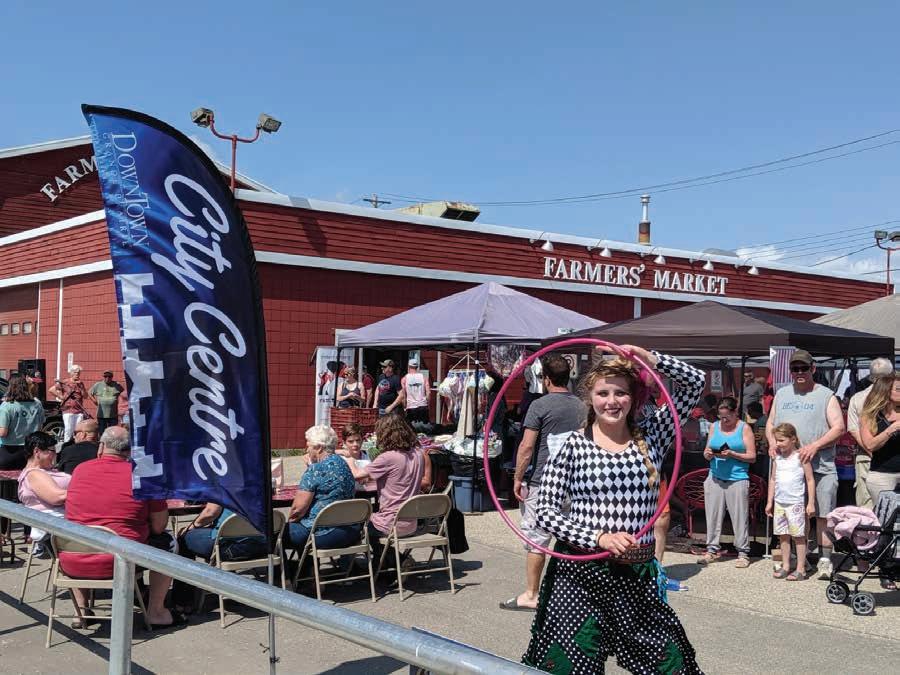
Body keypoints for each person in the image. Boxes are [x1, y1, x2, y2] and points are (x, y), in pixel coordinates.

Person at [523, 346, 704, 673]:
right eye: (603, 393)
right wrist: (599, 538)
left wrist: (650, 358)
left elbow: (696, 383)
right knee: (572, 666)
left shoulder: (654, 434)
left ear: (633, 398)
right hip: (580, 574)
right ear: (589, 397)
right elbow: (546, 512)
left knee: (671, 665)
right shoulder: (571, 445)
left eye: (621, 393)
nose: (612, 401)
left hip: (637, 575)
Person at [63, 426, 184, 628]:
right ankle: (156, 611)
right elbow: (159, 526)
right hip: (120, 560)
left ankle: (81, 610)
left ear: (101, 447)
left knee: (81, 530)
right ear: (130, 450)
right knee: (168, 542)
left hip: (72, 559)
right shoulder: (143, 475)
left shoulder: (80, 470)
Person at [501, 354, 587, 612]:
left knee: (537, 540)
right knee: (572, 537)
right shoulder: (583, 406)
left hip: (543, 481)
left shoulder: (540, 405)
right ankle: (572, 593)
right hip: (575, 482)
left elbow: (526, 447)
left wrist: (517, 478)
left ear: (545, 378)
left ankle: (532, 594)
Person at [766, 349, 845, 580]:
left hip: (820, 465)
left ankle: (825, 560)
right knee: (798, 514)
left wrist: (815, 446)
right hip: (790, 468)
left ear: (813, 369)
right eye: (795, 369)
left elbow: (839, 427)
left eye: (803, 368)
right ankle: (802, 560)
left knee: (822, 514)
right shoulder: (782, 394)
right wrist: (772, 443)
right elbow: (770, 423)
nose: (799, 372)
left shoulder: (826, 395)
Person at [343, 414, 425, 564]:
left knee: (358, 523)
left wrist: (349, 460)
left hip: (390, 522)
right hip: (411, 520)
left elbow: (356, 474)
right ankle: (386, 563)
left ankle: (395, 561)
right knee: (372, 520)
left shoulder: (388, 457)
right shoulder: (418, 454)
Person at [171, 502, 268, 612]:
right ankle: (277, 584)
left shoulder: (223, 489)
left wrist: (191, 527)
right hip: (261, 545)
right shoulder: (263, 489)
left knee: (183, 540)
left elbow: (211, 512)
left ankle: (182, 602)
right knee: (227, 531)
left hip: (230, 547)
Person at [697, 396, 757, 567]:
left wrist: (733, 454)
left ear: (735, 413)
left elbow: (752, 456)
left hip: (737, 477)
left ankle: (743, 552)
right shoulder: (714, 426)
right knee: (713, 515)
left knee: (739, 516)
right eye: (721, 417)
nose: (724, 420)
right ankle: (711, 549)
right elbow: (707, 451)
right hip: (715, 476)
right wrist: (708, 454)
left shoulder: (744, 428)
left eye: (727, 417)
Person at [284, 425, 360, 554]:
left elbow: (297, 510)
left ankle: (287, 567)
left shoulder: (315, 470)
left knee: (275, 533)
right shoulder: (344, 464)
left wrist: (290, 524)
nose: (307, 449)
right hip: (349, 530)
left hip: (323, 533)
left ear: (319, 447)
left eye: (308, 445)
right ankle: (305, 564)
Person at [765, 423, 816, 581]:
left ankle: (801, 568)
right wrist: (769, 501)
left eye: (781, 440)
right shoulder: (777, 458)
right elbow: (773, 479)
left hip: (795, 503)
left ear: (793, 439)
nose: (778, 444)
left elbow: (810, 480)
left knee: (798, 536)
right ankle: (786, 565)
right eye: (776, 440)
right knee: (783, 535)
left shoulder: (801, 457)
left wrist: (810, 502)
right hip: (780, 502)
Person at [846, 357, 894, 509]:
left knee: (867, 507)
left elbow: (853, 430)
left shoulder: (857, 398)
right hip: (890, 460)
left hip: (866, 458)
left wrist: (870, 449)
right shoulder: (894, 397)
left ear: (870, 375)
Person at [17, 431, 70, 557]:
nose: (55, 454)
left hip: (64, 521)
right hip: (60, 525)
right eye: (51, 451)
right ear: (37, 451)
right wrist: (85, 490)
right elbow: (56, 497)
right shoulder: (34, 474)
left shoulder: (44, 470)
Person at [859, 371, 900, 505]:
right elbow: (869, 445)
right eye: (898, 389)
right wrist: (892, 429)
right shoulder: (870, 416)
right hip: (882, 476)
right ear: (885, 391)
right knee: (886, 515)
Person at [0, 373, 45, 469]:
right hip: (31, 450)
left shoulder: (6, 405)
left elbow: (3, 433)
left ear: (10, 386)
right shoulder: (37, 403)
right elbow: (40, 427)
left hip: (9, 451)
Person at [48, 365, 89, 442]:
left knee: (78, 430)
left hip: (79, 411)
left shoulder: (80, 383)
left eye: (78, 373)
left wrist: (82, 388)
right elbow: (51, 389)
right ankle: (66, 445)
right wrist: (61, 397)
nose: (77, 374)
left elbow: (85, 396)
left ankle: (76, 445)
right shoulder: (65, 382)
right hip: (68, 410)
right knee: (69, 429)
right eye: (75, 372)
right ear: (71, 373)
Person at [88, 370, 124, 434]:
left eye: (109, 376)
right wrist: (94, 401)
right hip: (101, 414)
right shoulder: (98, 385)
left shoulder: (117, 385)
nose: (107, 378)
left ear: (112, 377)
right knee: (102, 432)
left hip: (113, 414)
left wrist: (121, 403)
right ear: (103, 377)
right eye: (105, 376)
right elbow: (89, 393)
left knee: (112, 432)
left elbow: (124, 394)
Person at [746, 401, 770, 481]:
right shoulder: (763, 420)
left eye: (750, 411)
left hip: (761, 453)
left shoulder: (761, 422)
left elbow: (762, 439)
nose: (748, 414)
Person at [401, 359, 431, 424]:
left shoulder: (404, 379)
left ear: (408, 366)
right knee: (424, 428)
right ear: (417, 367)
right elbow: (428, 393)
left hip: (411, 407)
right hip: (423, 406)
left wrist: (404, 406)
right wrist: (427, 405)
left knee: (412, 428)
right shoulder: (423, 377)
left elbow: (403, 395)